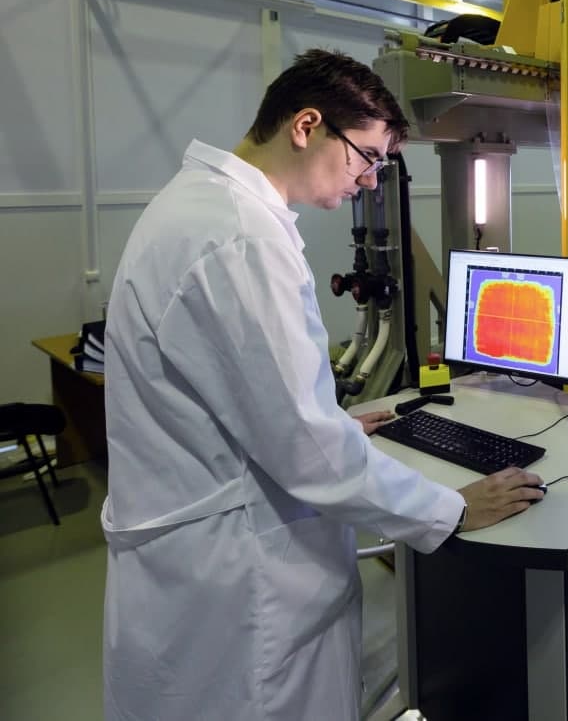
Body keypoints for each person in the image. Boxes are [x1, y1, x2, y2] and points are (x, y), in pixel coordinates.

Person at [100, 49, 544, 720]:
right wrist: (450, 509)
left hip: (194, 553)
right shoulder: (241, 238)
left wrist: (322, 422)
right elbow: (308, 451)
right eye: (367, 157)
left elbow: (262, 407)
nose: (369, 181)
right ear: (307, 125)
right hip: (237, 581)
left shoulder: (201, 205)